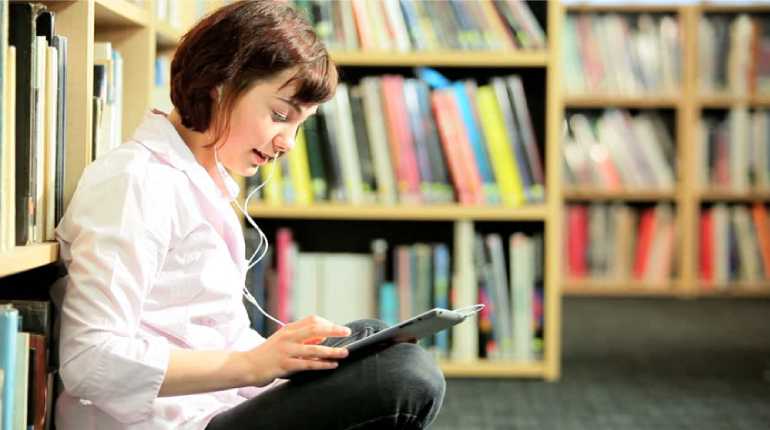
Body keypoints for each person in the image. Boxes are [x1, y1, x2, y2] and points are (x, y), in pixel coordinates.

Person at [53, 1, 445, 429]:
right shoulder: (135, 181)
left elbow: (213, 334)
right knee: (406, 376)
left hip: (215, 404)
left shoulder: (204, 179)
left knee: (370, 340)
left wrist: (281, 358)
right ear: (219, 82)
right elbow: (88, 360)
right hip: (169, 422)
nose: (288, 143)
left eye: (299, 126)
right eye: (280, 115)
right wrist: (253, 364)